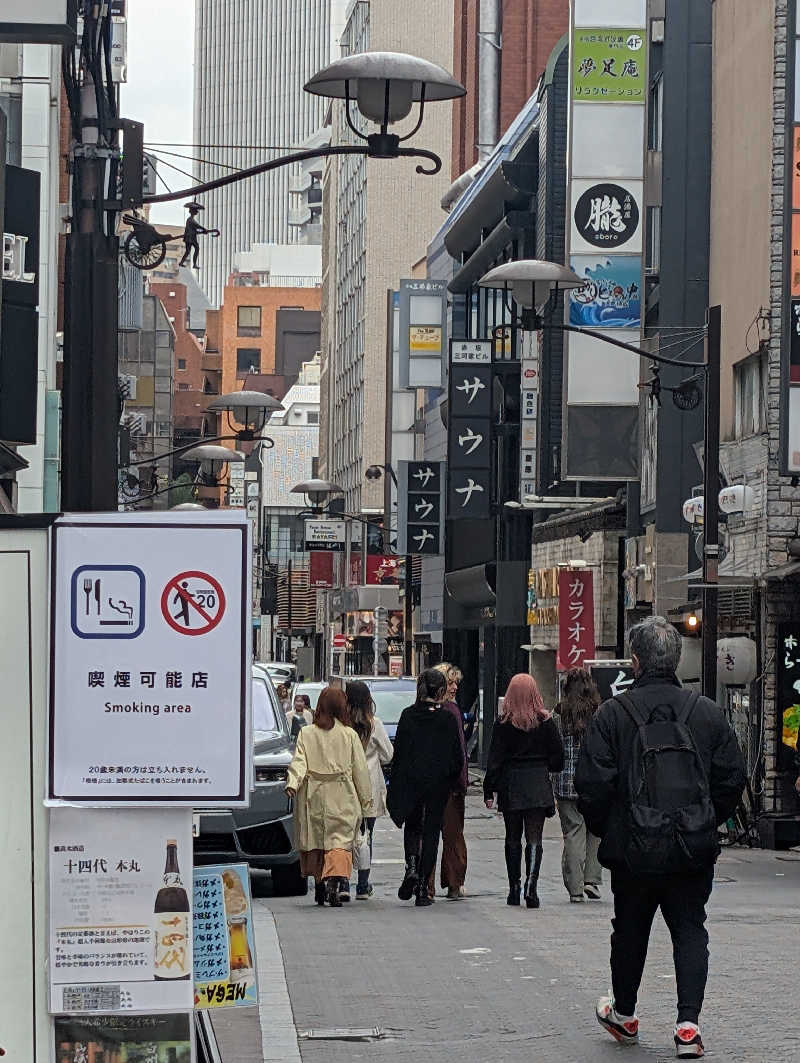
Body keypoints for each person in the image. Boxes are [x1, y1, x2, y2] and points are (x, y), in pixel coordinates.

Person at [575, 616, 746, 1059]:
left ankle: (626, 1014)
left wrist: (611, 830)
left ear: (635, 661)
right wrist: (706, 819)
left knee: (629, 929)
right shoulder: (706, 712)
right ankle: (688, 1026)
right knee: (690, 930)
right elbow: (732, 777)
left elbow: (591, 785)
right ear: (675, 660)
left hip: (634, 850)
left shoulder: (613, 714)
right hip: (691, 847)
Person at [286, 687, 372, 907]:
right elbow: (360, 770)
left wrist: (293, 783)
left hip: (314, 794)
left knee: (316, 841)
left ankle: (319, 882)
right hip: (342, 794)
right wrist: (366, 802)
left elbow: (299, 762)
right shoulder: (349, 735)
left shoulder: (307, 733)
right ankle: (333, 882)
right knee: (339, 842)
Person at [484, 673, 564, 908]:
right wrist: (544, 766)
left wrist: (489, 790)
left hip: (512, 784)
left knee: (512, 837)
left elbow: (495, 760)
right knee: (534, 836)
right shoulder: (546, 722)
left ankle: (514, 888)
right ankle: (532, 886)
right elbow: (558, 757)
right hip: (537, 782)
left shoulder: (503, 724)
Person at [387, 669, 465, 907]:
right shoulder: (447, 718)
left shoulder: (408, 715)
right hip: (437, 785)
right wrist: (451, 780)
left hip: (412, 782)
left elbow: (398, 753)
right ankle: (423, 886)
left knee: (412, 828)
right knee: (431, 832)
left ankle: (411, 866)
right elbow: (457, 757)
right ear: (441, 690)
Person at [553, 668, 603, 903]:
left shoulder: (558, 714)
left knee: (573, 832)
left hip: (564, 783)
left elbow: (552, 749)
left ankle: (575, 888)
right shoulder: (598, 713)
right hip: (593, 781)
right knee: (594, 831)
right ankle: (591, 879)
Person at [346, 680, 393, 900]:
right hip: (370, 788)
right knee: (366, 835)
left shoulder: (342, 726)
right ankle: (363, 885)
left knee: (344, 836)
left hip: (346, 788)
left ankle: (343, 881)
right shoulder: (375, 725)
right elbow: (388, 755)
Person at [427, 663, 468, 901]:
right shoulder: (451, 711)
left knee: (430, 834)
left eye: (455, 683)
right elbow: (460, 753)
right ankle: (453, 882)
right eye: (449, 683)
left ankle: (427, 884)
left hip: (430, 784)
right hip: (450, 786)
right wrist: (462, 783)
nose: (454, 688)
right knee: (452, 836)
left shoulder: (420, 710)